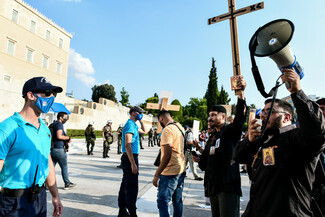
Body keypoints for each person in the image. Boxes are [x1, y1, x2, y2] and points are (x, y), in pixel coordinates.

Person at [233, 69, 325, 217]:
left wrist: (297, 92)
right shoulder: (262, 139)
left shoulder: (297, 139)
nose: (263, 115)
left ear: (287, 117)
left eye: (270, 111)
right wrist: (249, 140)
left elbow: (317, 134)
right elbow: (239, 157)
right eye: (263, 111)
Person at [0, 76, 63, 216]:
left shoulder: (45, 130)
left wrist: (55, 195)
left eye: (53, 94)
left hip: (40, 198)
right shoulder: (7, 128)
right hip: (13, 202)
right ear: (31, 95)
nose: (51, 97)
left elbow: (48, 162)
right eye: (47, 93)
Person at [193, 77, 247, 217]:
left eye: (214, 115)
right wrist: (199, 158)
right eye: (209, 115)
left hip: (228, 187)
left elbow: (240, 118)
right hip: (213, 187)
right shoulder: (212, 137)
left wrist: (241, 95)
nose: (210, 118)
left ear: (223, 117)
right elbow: (205, 163)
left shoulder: (229, 131)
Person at [152, 110, 186, 217]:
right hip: (180, 168)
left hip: (170, 172)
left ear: (161, 118)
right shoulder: (179, 126)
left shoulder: (167, 130)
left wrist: (157, 174)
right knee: (177, 201)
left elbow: (167, 155)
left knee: (162, 201)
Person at [118, 106, 146, 217]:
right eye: (140, 113)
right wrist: (133, 163)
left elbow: (144, 131)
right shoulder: (130, 125)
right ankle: (132, 213)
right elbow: (127, 144)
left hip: (131, 157)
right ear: (134, 113)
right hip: (130, 158)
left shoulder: (134, 124)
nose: (141, 114)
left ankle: (122, 211)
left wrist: (141, 120)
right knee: (132, 187)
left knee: (125, 185)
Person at [51, 112, 76, 190]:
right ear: (60, 117)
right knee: (64, 167)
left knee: (50, 168)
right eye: (65, 117)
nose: (66, 119)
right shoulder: (59, 124)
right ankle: (67, 183)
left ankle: (46, 185)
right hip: (59, 149)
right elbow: (59, 136)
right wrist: (68, 138)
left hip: (52, 149)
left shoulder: (52, 124)